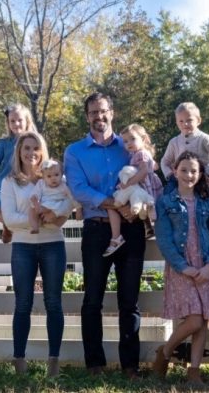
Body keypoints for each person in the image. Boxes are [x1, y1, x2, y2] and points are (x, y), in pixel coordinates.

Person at [64, 92, 145, 378]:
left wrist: (135, 209)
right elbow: (78, 189)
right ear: (87, 117)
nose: (99, 117)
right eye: (93, 113)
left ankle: (130, 366)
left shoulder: (130, 145)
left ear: (112, 112)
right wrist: (115, 204)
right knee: (92, 299)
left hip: (133, 229)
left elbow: (148, 172)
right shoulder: (74, 152)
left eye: (103, 111)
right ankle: (95, 364)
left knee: (129, 300)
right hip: (97, 230)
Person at [0, 133, 73, 377]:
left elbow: (66, 210)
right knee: (23, 304)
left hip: (53, 246)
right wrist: (45, 219)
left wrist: (53, 218)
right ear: (19, 152)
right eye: (26, 148)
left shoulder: (54, 178)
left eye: (36, 148)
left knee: (54, 303)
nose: (31, 153)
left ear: (42, 151)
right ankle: (19, 360)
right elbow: (9, 220)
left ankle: (54, 361)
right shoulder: (10, 182)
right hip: (23, 247)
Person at [151, 152, 209, 388]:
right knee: (193, 320)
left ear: (200, 173)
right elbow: (163, 239)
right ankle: (164, 352)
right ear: (175, 171)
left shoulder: (206, 200)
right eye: (184, 170)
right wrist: (183, 267)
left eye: (194, 171)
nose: (189, 175)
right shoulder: (166, 201)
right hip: (181, 268)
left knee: (203, 320)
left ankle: (194, 372)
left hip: (206, 267)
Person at [103, 123, 164, 257]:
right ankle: (149, 228)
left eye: (133, 139)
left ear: (143, 139)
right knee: (142, 205)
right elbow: (154, 166)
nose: (129, 143)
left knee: (141, 202)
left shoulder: (141, 153)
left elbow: (143, 172)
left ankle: (148, 226)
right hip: (142, 184)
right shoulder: (138, 153)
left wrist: (128, 184)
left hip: (143, 183)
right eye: (125, 141)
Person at [0, 104, 37, 243]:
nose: (16, 124)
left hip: (26, 179)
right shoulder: (3, 143)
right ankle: (8, 226)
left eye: (20, 120)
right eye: (12, 121)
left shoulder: (34, 141)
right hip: (4, 181)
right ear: (8, 123)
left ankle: (21, 229)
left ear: (27, 121)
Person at [160, 102, 209, 186]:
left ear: (198, 120)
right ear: (177, 123)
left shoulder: (204, 138)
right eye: (181, 121)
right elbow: (164, 161)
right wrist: (171, 175)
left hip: (201, 183)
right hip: (181, 184)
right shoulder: (174, 142)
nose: (185, 124)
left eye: (189, 120)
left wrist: (207, 174)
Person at [28, 159, 76, 235]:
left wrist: (78, 208)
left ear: (62, 174)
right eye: (49, 176)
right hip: (44, 204)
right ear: (43, 177)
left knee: (37, 209)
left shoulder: (64, 184)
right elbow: (36, 193)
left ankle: (41, 220)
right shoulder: (41, 183)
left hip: (56, 205)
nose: (53, 178)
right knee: (32, 210)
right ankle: (35, 226)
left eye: (56, 175)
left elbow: (72, 197)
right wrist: (35, 200)